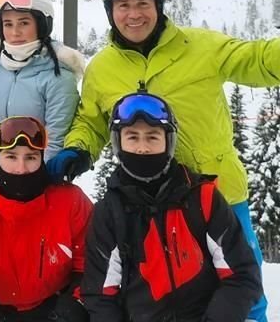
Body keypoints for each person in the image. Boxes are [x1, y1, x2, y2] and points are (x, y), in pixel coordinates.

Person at [48, 0, 280, 322]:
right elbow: (91, 120)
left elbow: (254, 61)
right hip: (147, 200)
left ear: (158, 5)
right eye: (123, 6)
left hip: (218, 194)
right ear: (110, 12)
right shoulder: (103, 68)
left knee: (245, 294)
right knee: (155, 297)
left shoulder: (200, 47)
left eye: (142, 3)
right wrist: (79, 148)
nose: (134, 14)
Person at [81, 91, 263, 321]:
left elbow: (242, 275)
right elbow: (100, 296)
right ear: (119, 143)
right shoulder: (109, 213)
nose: (142, 148)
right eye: (133, 137)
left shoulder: (203, 199)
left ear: (168, 142)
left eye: (153, 137)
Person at [0, 116, 92, 322]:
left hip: (53, 307)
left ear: (41, 159)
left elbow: (89, 266)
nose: (21, 169)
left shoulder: (71, 200)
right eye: (11, 157)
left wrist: (75, 306)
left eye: (30, 157)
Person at [0, 0, 83, 177]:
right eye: (7, 24)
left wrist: (37, 180)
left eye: (23, 23)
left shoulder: (57, 75)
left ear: (42, 25)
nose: (15, 32)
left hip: (32, 176)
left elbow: (56, 139)